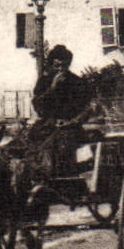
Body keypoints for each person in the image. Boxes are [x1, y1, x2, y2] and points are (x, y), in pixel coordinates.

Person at [25, 45, 101, 179]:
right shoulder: (44, 82)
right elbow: (38, 106)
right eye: (56, 66)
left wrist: (72, 121)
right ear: (51, 65)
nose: (60, 70)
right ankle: (32, 176)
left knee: (62, 147)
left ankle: (61, 179)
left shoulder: (77, 82)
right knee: (29, 144)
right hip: (47, 126)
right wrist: (52, 88)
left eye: (63, 66)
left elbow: (88, 108)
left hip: (71, 127)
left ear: (68, 64)